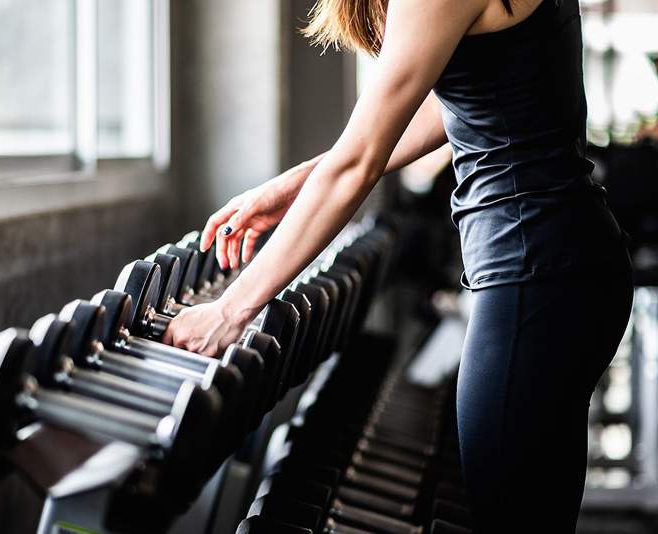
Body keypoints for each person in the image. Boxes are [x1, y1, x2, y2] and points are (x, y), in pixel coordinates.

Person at [162, 0, 633, 531]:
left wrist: (232, 309)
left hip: (535, 277)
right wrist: (300, 183)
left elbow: (357, 165)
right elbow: (455, 99)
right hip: (564, 265)